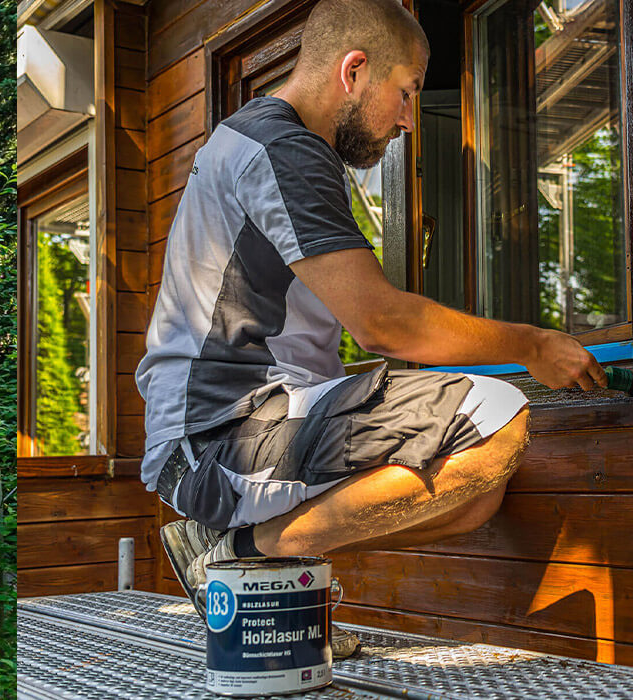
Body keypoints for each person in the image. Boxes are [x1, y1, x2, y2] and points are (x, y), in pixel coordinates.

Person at [141, 0, 605, 658]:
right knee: (496, 418)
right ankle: (238, 550)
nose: (411, 120)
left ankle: (258, 564)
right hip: (223, 431)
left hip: (234, 428)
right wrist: (531, 345)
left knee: (474, 493)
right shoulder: (283, 149)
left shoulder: (264, 144)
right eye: (408, 92)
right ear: (354, 70)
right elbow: (382, 323)